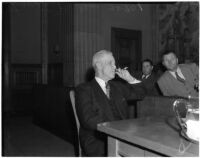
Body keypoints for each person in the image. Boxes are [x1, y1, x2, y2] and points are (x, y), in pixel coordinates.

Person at [75, 50, 146, 156]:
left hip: (123, 136)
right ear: (99, 65)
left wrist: (129, 78)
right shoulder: (84, 89)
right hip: (98, 139)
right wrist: (117, 129)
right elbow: (88, 120)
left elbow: (141, 93)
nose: (115, 67)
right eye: (110, 63)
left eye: (115, 64)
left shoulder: (118, 86)